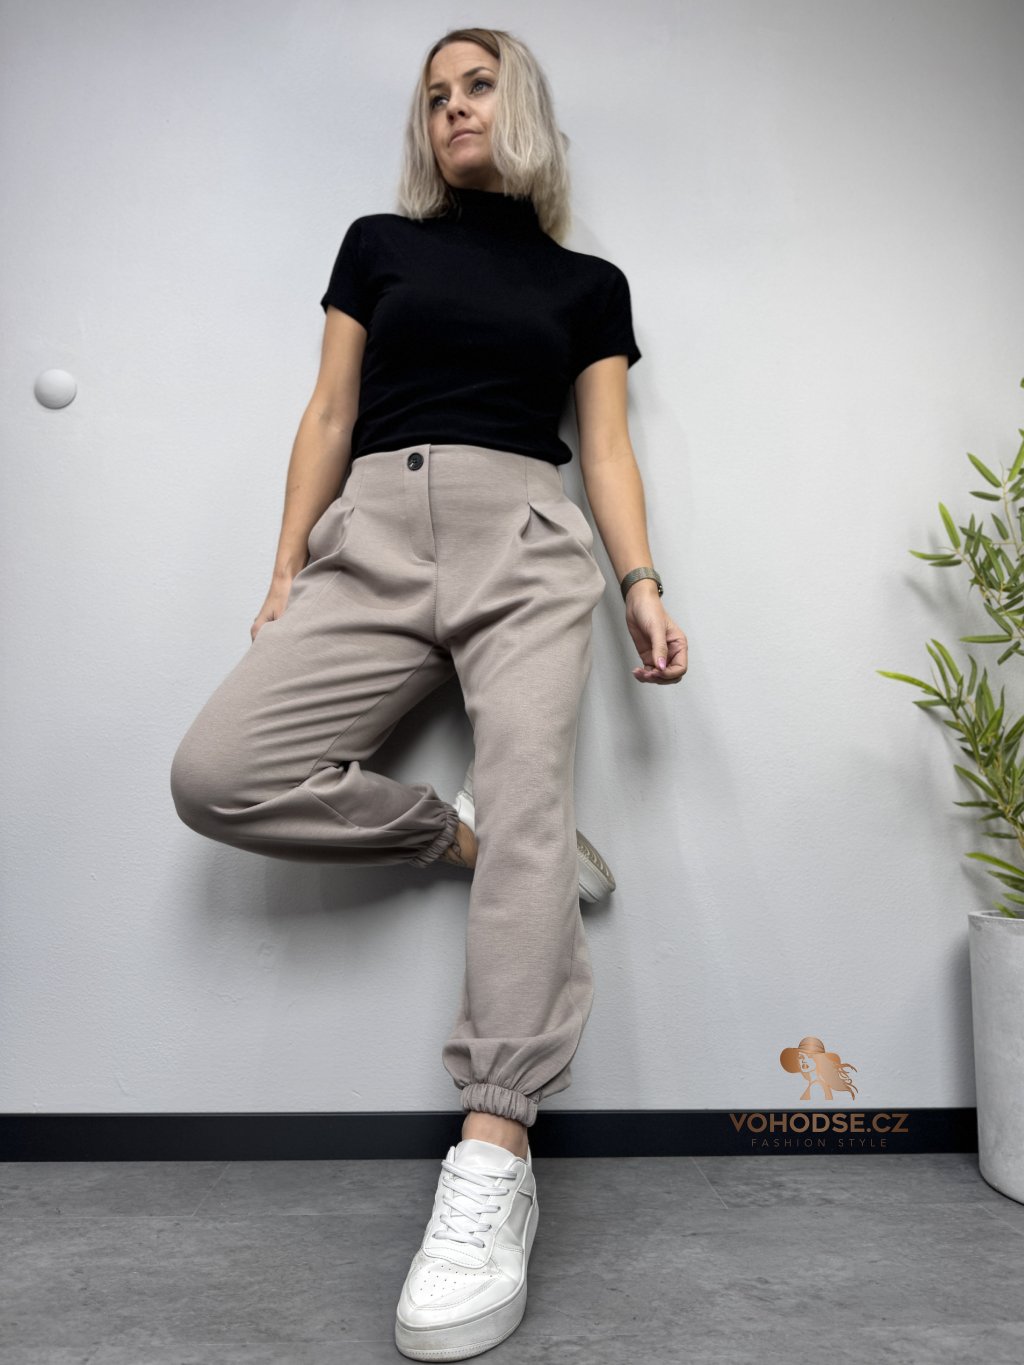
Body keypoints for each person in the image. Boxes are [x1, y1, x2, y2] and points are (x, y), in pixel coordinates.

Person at [169, 24, 687, 1361]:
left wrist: (640, 581)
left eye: (479, 84)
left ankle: (494, 1153)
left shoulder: (588, 284)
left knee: (534, 805)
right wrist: (285, 566)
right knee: (218, 772)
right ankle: (459, 836)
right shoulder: (378, 247)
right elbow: (329, 413)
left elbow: (606, 449)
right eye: (437, 94)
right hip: (378, 537)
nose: (455, 107)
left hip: (527, 538)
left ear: (525, 105)